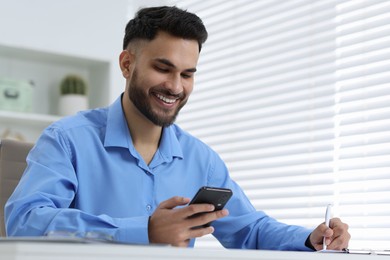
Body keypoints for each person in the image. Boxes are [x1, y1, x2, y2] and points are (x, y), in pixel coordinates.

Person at [5, 6, 350, 250]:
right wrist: (145, 230)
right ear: (127, 64)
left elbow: (249, 230)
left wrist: (311, 238)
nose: (175, 86)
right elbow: (26, 222)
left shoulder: (202, 160)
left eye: (187, 74)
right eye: (163, 68)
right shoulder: (67, 140)